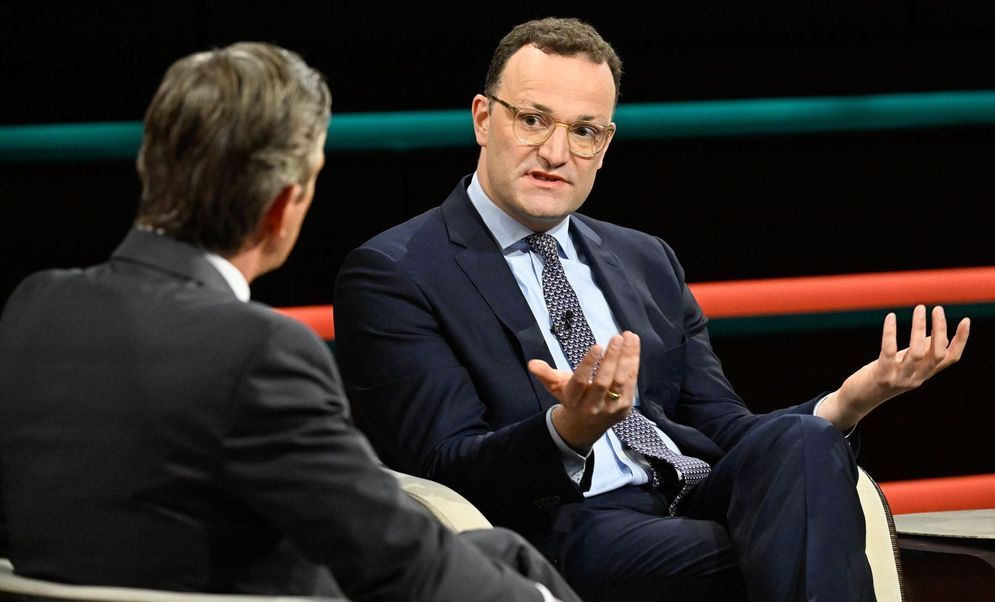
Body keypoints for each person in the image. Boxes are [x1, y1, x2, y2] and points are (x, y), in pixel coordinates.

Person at [333, 17, 972, 602]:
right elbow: (442, 470)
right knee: (796, 538)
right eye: (533, 119)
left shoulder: (644, 259)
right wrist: (569, 429)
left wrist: (848, 402)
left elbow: (720, 424)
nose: (556, 153)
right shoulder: (397, 273)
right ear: (482, 118)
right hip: (565, 528)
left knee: (805, 441)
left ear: (605, 145)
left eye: (583, 132)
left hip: (690, 495)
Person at [0, 42, 580, 602]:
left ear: (150, 164)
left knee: (501, 553)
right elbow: (397, 562)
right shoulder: (257, 352)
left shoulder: (33, 305)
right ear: (284, 206)